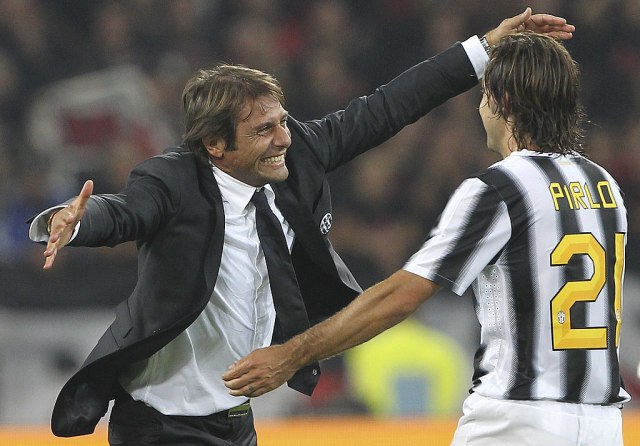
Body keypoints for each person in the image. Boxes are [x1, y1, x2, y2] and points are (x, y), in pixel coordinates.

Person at [30, 9, 574, 445]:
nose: (284, 138)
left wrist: (484, 48)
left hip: (234, 421)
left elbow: (389, 107)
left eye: (282, 121)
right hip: (159, 424)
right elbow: (125, 211)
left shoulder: (299, 155)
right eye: (263, 130)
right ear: (215, 145)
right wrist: (75, 221)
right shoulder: (172, 181)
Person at [223, 32, 628, 446]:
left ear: (503, 103)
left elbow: (402, 295)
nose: (480, 108)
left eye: (484, 96)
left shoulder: (502, 188)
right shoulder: (605, 186)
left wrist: (291, 355)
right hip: (604, 425)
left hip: (518, 421)